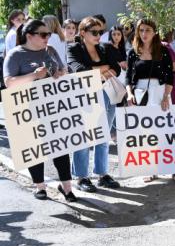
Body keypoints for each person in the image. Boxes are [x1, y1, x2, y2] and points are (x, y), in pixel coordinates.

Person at [4, 19, 76, 201]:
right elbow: (9, 83)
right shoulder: (15, 55)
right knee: (34, 147)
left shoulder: (50, 51)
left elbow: (63, 71)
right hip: (28, 110)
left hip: (53, 108)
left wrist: (59, 74)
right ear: (29, 36)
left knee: (61, 146)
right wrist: (35, 76)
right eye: (43, 35)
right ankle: (40, 187)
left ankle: (67, 188)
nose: (48, 37)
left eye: (49, 34)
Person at [67, 16, 122, 192]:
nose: (98, 35)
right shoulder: (74, 48)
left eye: (100, 32)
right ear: (82, 32)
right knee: (84, 137)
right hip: (85, 97)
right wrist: (103, 70)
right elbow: (79, 70)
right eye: (94, 32)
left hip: (107, 95)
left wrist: (97, 71)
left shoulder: (105, 48)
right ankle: (82, 177)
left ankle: (102, 174)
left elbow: (117, 68)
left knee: (104, 135)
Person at [125, 19, 175, 182]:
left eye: (148, 30)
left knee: (166, 130)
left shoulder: (163, 50)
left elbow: (170, 76)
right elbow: (128, 77)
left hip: (160, 91)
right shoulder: (133, 52)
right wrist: (130, 93)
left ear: (154, 32)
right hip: (140, 93)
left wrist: (166, 96)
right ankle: (151, 169)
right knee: (147, 133)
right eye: (141, 30)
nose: (144, 33)